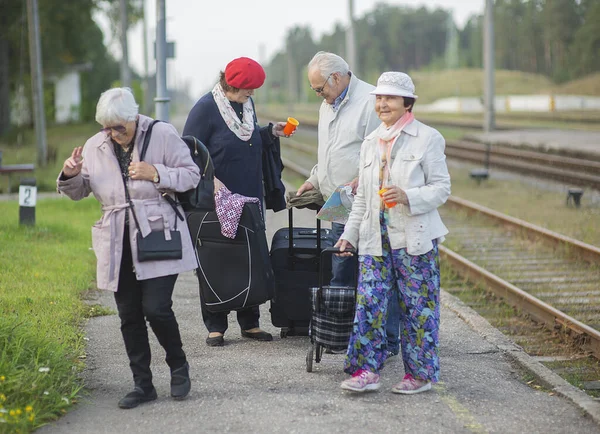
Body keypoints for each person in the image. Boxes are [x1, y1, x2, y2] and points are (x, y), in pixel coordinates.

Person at [57, 87, 200, 409]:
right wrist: (70, 174)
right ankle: (142, 384)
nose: (111, 133)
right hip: (116, 239)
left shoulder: (162, 134)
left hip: (158, 234)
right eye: (106, 127)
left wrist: (157, 173)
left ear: (134, 118)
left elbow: (192, 175)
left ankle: (178, 367)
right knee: (129, 315)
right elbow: (79, 191)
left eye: (118, 127)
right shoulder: (96, 145)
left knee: (157, 308)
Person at [336, 71, 451, 394]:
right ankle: (366, 371)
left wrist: (409, 196)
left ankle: (419, 375)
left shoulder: (428, 138)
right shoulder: (371, 142)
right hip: (375, 238)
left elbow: (442, 188)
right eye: (379, 98)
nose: (382, 104)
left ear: (407, 103)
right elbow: (362, 197)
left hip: (414, 238)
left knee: (418, 307)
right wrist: (350, 234)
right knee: (369, 303)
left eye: (390, 98)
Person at [182, 57, 288, 347]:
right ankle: (215, 325)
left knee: (250, 255)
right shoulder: (205, 108)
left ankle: (250, 323)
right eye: (247, 90)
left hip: (249, 195)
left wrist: (269, 133)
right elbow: (188, 150)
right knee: (216, 257)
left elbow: (247, 139)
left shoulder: (245, 105)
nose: (251, 95)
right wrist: (208, 177)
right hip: (215, 197)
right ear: (230, 86)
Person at [297, 51, 380, 288]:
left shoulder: (370, 102)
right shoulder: (327, 103)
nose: (318, 95)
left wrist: (358, 180)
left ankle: (353, 320)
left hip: (359, 201)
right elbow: (329, 149)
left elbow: (378, 154)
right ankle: (343, 321)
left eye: (319, 89)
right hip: (338, 202)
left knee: (351, 272)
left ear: (335, 77)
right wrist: (314, 178)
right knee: (340, 266)